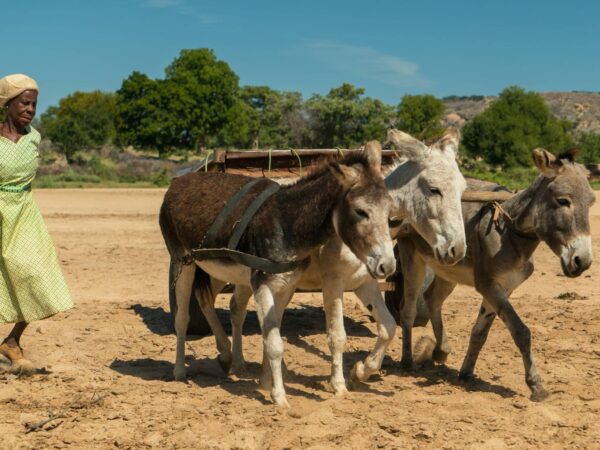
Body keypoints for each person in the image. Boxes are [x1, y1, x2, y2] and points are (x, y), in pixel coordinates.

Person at [0, 74, 73, 370]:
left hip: (25, 214)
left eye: (34, 104)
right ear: (7, 104)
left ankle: (12, 340)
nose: (30, 109)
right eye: (24, 103)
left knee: (36, 276)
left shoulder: (35, 138)